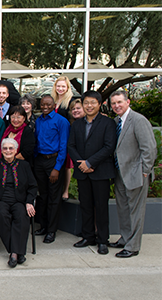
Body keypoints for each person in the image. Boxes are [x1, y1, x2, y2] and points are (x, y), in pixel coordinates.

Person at [68, 90, 117, 255]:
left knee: (101, 207)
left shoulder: (108, 123)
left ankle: (102, 240)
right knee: (85, 205)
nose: (89, 106)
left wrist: (90, 162)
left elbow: (109, 147)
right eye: (86, 103)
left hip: (100, 171)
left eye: (92, 103)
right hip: (83, 172)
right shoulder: (77, 124)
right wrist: (81, 164)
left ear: (99, 104)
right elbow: (71, 146)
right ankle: (88, 236)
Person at [110, 90, 156, 258]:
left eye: (119, 102)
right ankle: (125, 238)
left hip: (136, 173)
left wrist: (145, 171)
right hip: (120, 173)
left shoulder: (138, 120)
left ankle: (133, 246)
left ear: (128, 102)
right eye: (114, 103)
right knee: (123, 208)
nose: (116, 106)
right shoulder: (116, 121)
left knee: (135, 211)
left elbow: (149, 148)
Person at [0, 138, 38, 268]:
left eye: (11, 148)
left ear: (15, 150)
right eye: (5, 148)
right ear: (1, 150)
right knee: (0, 216)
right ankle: (17, 252)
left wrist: (30, 202)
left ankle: (14, 253)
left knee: (21, 216)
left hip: (19, 201)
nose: (8, 151)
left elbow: (33, 186)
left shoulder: (24, 165)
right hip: (0, 201)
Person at [33, 95, 70, 244]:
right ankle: (43, 226)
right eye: (42, 105)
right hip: (40, 161)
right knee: (43, 196)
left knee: (54, 197)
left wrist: (57, 168)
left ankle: (51, 231)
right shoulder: (39, 120)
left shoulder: (61, 121)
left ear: (54, 105)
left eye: (48, 104)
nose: (45, 107)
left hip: (53, 161)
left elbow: (64, 146)